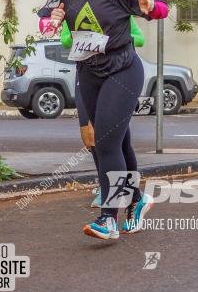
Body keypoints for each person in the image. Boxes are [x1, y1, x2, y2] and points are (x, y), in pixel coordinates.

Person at [38, 0, 168, 241]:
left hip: (122, 70)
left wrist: (151, 8)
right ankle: (136, 201)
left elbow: (161, 8)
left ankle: (108, 218)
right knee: (116, 141)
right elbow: (44, 24)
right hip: (87, 72)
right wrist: (51, 22)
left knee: (107, 140)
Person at [61, 17, 145, 208]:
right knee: (91, 137)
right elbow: (65, 40)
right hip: (86, 75)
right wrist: (91, 38)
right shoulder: (76, 10)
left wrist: (112, 37)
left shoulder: (116, 9)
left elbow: (139, 39)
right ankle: (109, 188)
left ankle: (126, 195)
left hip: (117, 74)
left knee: (117, 141)